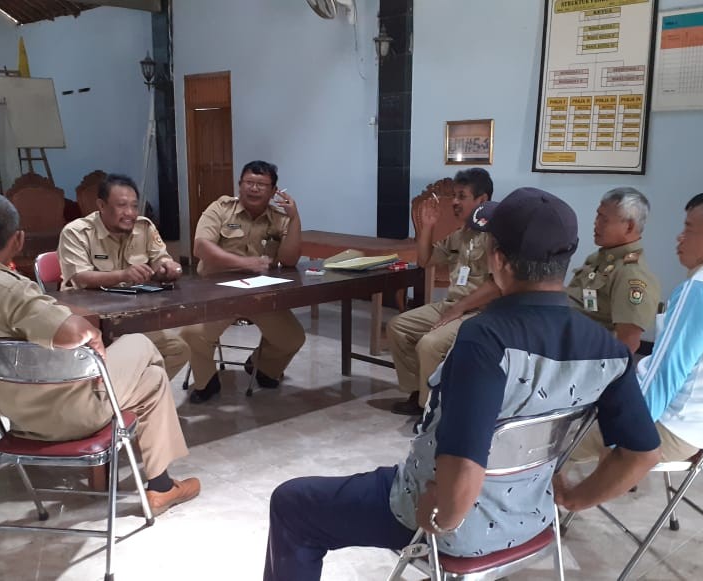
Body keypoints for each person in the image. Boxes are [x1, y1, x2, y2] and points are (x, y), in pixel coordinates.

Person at [263, 189, 662, 581]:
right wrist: (574, 499)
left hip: (453, 526)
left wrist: (445, 518)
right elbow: (642, 454)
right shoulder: (608, 350)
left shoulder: (484, 340)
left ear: (498, 260)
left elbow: (463, 467)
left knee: (292, 503)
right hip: (534, 518)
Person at [0, 193, 200, 513]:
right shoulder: (11, 288)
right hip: (70, 414)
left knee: (151, 377)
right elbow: (72, 332)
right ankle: (159, 487)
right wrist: (93, 334)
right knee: (142, 345)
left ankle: (161, 486)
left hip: (15, 414)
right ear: (18, 240)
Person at [569, 190, 703, 465]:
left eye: (689, 229)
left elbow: (665, 372)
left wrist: (631, 438)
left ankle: (558, 500)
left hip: (666, 428)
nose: (680, 237)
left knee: (545, 439)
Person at [179, 160, 305, 404]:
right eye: (249, 182)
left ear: (273, 191)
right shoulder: (221, 209)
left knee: (292, 338)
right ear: (240, 185)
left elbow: (289, 259)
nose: (254, 189)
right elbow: (200, 248)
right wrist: (245, 263)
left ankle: (263, 366)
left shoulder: (279, 218)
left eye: (261, 184)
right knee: (191, 333)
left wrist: (295, 217)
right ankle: (207, 381)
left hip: (260, 295)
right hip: (217, 293)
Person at [387, 168, 501, 417]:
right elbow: (425, 259)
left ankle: (431, 412)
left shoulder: (497, 235)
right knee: (399, 326)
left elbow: (496, 286)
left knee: (430, 344)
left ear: (482, 200)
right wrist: (428, 226)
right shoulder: (461, 235)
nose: (455, 203)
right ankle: (418, 392)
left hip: (480, 311)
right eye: (455, 197)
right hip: (453, 305)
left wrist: (456, 310)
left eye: (462, 196)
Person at [58, 173, 190, 379]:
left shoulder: (144, 227)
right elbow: (80, 278)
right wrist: (123, 275)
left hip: (130, 318)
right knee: (127, 359)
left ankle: (131, 399)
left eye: (134, 206)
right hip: (90, 324)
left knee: (177, 349)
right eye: (121, 205)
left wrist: (169, 268)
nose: (130, 213)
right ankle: (119, 399)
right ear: (101, 205)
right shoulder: (77, 232)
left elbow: (161, 258)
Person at [565, 187, 661, 353]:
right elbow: (586, 304)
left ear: (629, 227)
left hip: (586, 357)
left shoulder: (631, 275)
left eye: (604, 219)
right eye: (597, 215)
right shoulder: (599, 259)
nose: (596, 223)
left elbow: (628, 342)